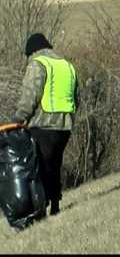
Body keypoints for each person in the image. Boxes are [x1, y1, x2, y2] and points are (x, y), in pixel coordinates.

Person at [13, 33, 78, 216]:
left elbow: (30, 94)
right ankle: (55, 205)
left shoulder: (38, 64)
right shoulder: (66, 65)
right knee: (54, 164)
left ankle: (40, 208)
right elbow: (76, 96)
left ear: (32, 51)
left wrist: (19, 117)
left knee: (39, 167)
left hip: (44, 123)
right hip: (65, 125)